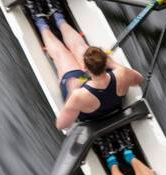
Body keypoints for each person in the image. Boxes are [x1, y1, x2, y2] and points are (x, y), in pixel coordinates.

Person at [23, 0, 144, 130]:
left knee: (61, 55)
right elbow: (139, 80)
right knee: (80, 47)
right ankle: (57, 16)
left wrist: (72, 90)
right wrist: (114, 64)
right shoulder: (122, 73)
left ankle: (41, 21)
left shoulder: (77, 95)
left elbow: (61, 125)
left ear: (85, 68)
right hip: (107, 96)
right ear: (105, 62)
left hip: (85, 101)